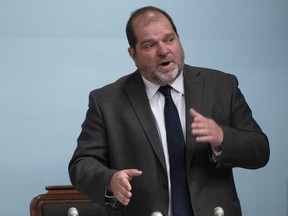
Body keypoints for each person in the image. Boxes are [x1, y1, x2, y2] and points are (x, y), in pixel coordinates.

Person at [68, 6, 269, 216]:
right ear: (133, 54)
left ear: (179, 40)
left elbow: (260, 150)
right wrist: (109, 180)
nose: (163, 50)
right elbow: (82, 164)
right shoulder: (106, 101)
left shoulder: (221, 86)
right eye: (150, 45)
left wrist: (222, 138)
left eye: (169, 39)